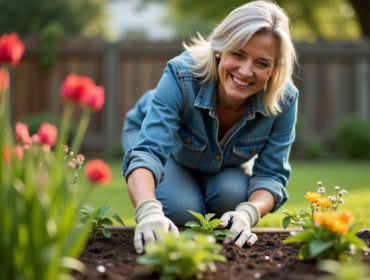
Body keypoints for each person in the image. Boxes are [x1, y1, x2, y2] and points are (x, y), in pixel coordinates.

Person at [122, 0, 298, 254]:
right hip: (158, 141)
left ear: (274, 70)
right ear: (220, 49)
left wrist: (248, 214)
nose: (245, 71)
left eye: (261, 63)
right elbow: (148, 152)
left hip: (219, 162)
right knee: (182, 211)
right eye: (238, 54)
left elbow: (271, 175)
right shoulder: (181, 74)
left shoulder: (285, 100)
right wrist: (148, 212)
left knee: (232, 202)